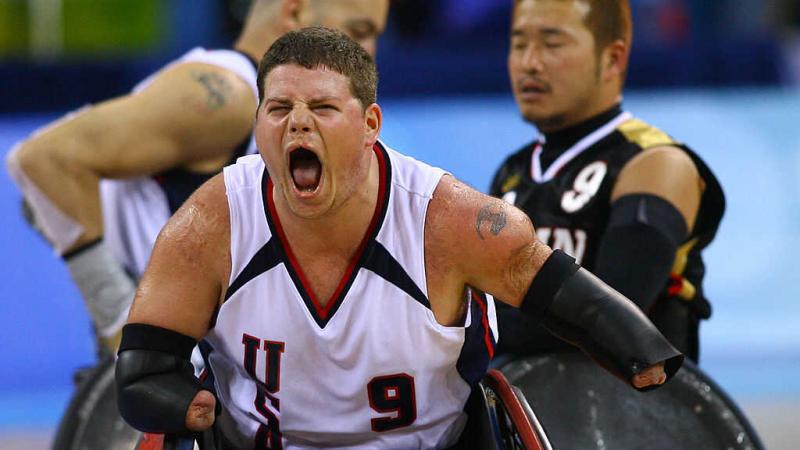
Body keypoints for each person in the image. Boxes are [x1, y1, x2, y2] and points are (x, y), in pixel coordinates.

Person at [115, 26, 683, 450]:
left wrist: (640, 350)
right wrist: (181, 403)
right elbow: (142, 370)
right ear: (258, 121)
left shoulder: (447, 218)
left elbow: (561, 292)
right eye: (279, 107)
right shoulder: (212, 221)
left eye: (322, 107)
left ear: (370, 126)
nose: (297, 123)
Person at [4, 0, 389, 353]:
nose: (369, 53)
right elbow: (43, 160)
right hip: (180, 374)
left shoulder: (255, 103)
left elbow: (44, 201)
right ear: (295, 13)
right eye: (358, 32)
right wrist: (120, 319)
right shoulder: (223, 97)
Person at [491, 0, 724, 362]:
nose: (529, 63)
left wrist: (470, 323)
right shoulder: (514, 172)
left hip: (636, 410)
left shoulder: (656, 163)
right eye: (519, 44)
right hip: (531, 406)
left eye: (552, 44)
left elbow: (609, 316)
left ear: (613, 59)